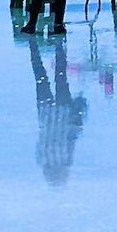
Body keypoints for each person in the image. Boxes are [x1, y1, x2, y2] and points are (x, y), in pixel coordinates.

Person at [29, 36, 88, 187]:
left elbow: (72, 135)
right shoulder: (41, 159)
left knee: (60, 77)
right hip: (46, 112)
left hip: (61, 112)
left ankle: (58, 47)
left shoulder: (65, 159)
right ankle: (37, 49)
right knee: (41, 74)